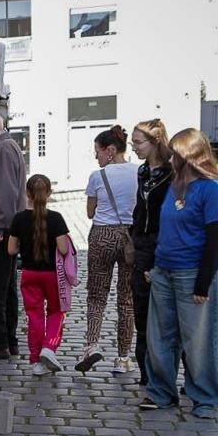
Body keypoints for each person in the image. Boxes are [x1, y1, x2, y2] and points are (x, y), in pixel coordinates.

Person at [141, 128, 218, 418]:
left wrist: (203, 283)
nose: (172, 158)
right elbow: (167, 230)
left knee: (199, 341)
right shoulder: (176, 186)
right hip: (165, 272)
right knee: (160, 337)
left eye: (177, 154)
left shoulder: (212, 190)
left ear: (192, 155)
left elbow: (217, 240)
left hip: (193, 273)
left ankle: (205, 397)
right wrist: (155, 267)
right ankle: (161, 392)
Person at [77, 125, 138, 374]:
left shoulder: (97, 176)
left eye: (98, 151)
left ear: (110, 151)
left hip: (102, 235)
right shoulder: (139, 172)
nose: (97, 157)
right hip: (130, 237)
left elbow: (90, 212)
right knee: (126, 299)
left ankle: (92, 345)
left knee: (96, 296)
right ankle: (123, 358)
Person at [6, 174, 72, 374]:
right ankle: (49, 347)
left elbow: (10, 250)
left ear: (27, 193)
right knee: (56, 312)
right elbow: (63, 249)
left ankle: (36, 361)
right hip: (52, 275)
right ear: (49, 193)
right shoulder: (56, 218)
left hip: (29, 274)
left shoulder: (19, 219)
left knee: (34, 316)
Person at [128, 119, 173, 387]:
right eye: (133, 142)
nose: (134, 147)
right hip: (143, 245)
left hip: (164, 245)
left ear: (155, 141)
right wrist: (133, 238)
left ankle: (174, 374)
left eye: (138, 142)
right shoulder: (143, 171)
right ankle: (146, 373)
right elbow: (139, 207)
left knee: (168, 315)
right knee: (141, 311)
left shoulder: (172, 171)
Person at [0, 111, 28, 359]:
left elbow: (4, 193)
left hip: (0, 230)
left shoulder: (1, 150)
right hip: (5, 227)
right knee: (7, 287)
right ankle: (9, 339)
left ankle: (0, 342)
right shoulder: (4, 148)